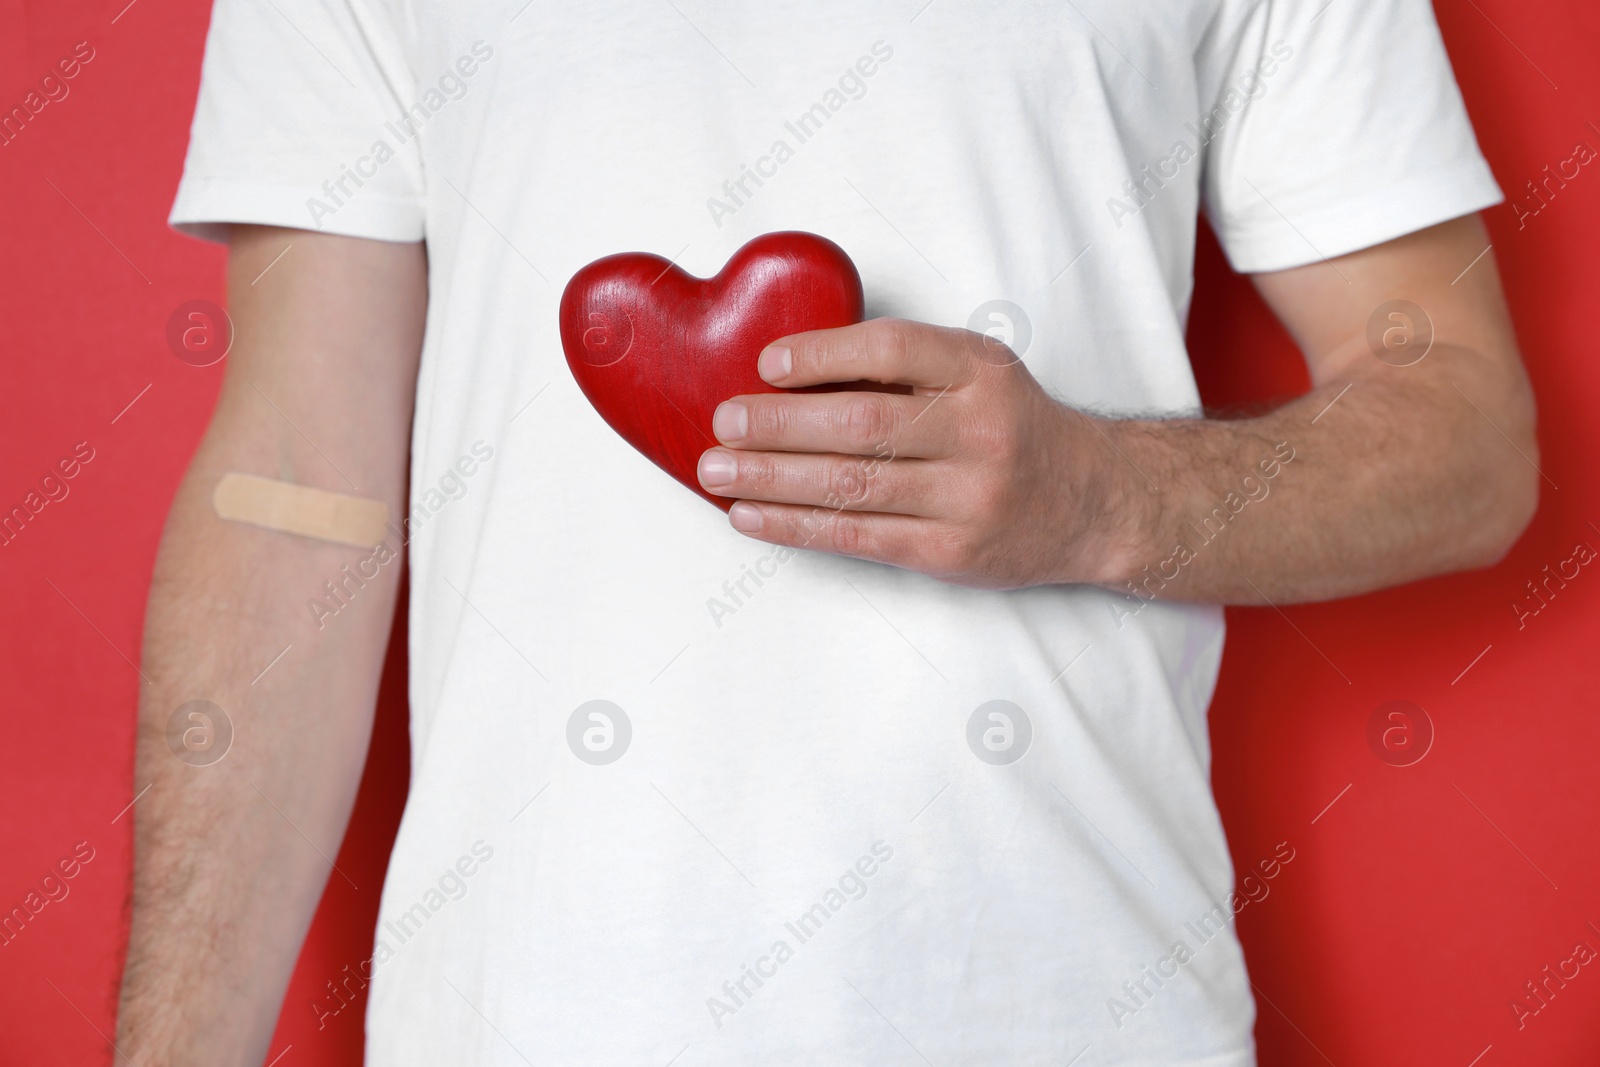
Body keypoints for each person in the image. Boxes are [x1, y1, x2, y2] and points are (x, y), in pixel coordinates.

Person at [116, 0, 1536, 1063]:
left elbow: (1469, 436)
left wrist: (1101, 499)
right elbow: (297, 495)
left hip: (1078, 1011)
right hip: (523, 1018)